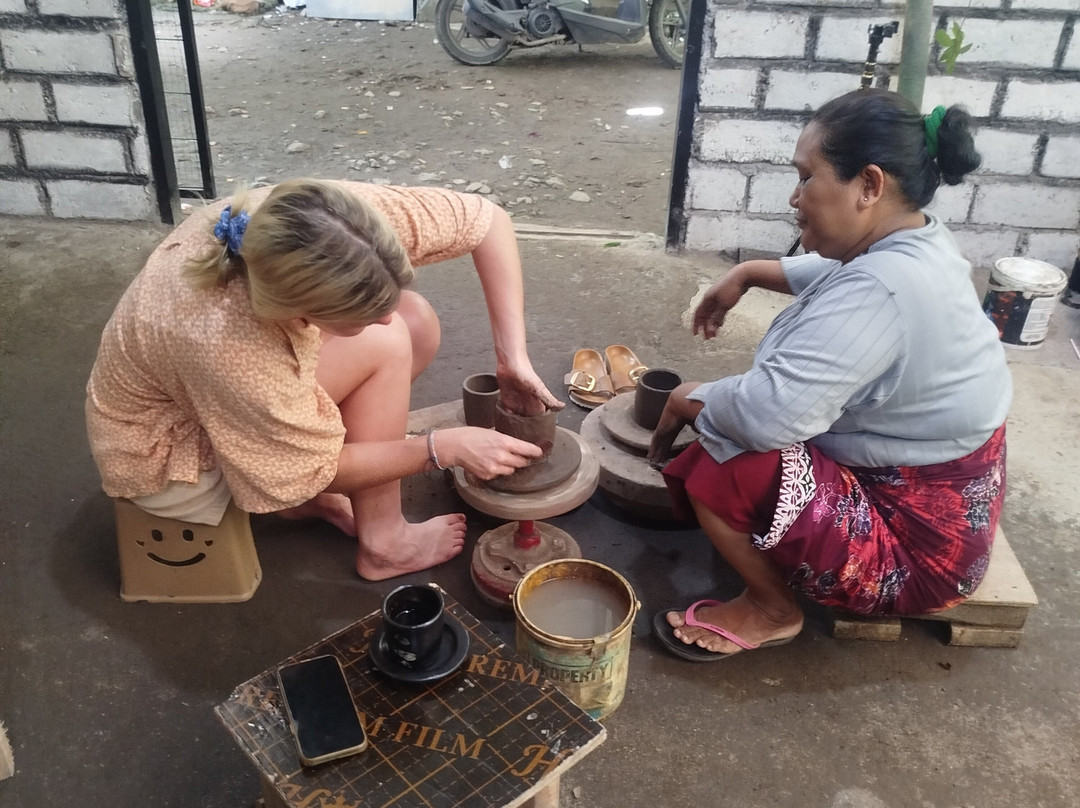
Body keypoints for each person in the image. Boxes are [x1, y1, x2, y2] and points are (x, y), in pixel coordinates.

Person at [648, 89, 1011, 661]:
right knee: (729, 419)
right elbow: (836, 269)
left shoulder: (882, 290)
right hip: (942, 496)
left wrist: (689, 398)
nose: (795, 198)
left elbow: (763, 419)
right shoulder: (917, 239)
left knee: (721, 461)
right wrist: (747, 273)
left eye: (806, 177)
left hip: (917, 554)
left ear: (869, 185)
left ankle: (772, 610)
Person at [86, 179, 563, 580]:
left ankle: (319, 499)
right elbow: (294, 475)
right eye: (357, 314)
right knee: (389, 340)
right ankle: (385, 545)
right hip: (168, 458)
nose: (380, 317)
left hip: (212, 395)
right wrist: (442, 448)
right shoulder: (232, 344)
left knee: (412, 319)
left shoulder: (325, 223)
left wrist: (512, 358)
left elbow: (487, 221)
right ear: (295, 311)